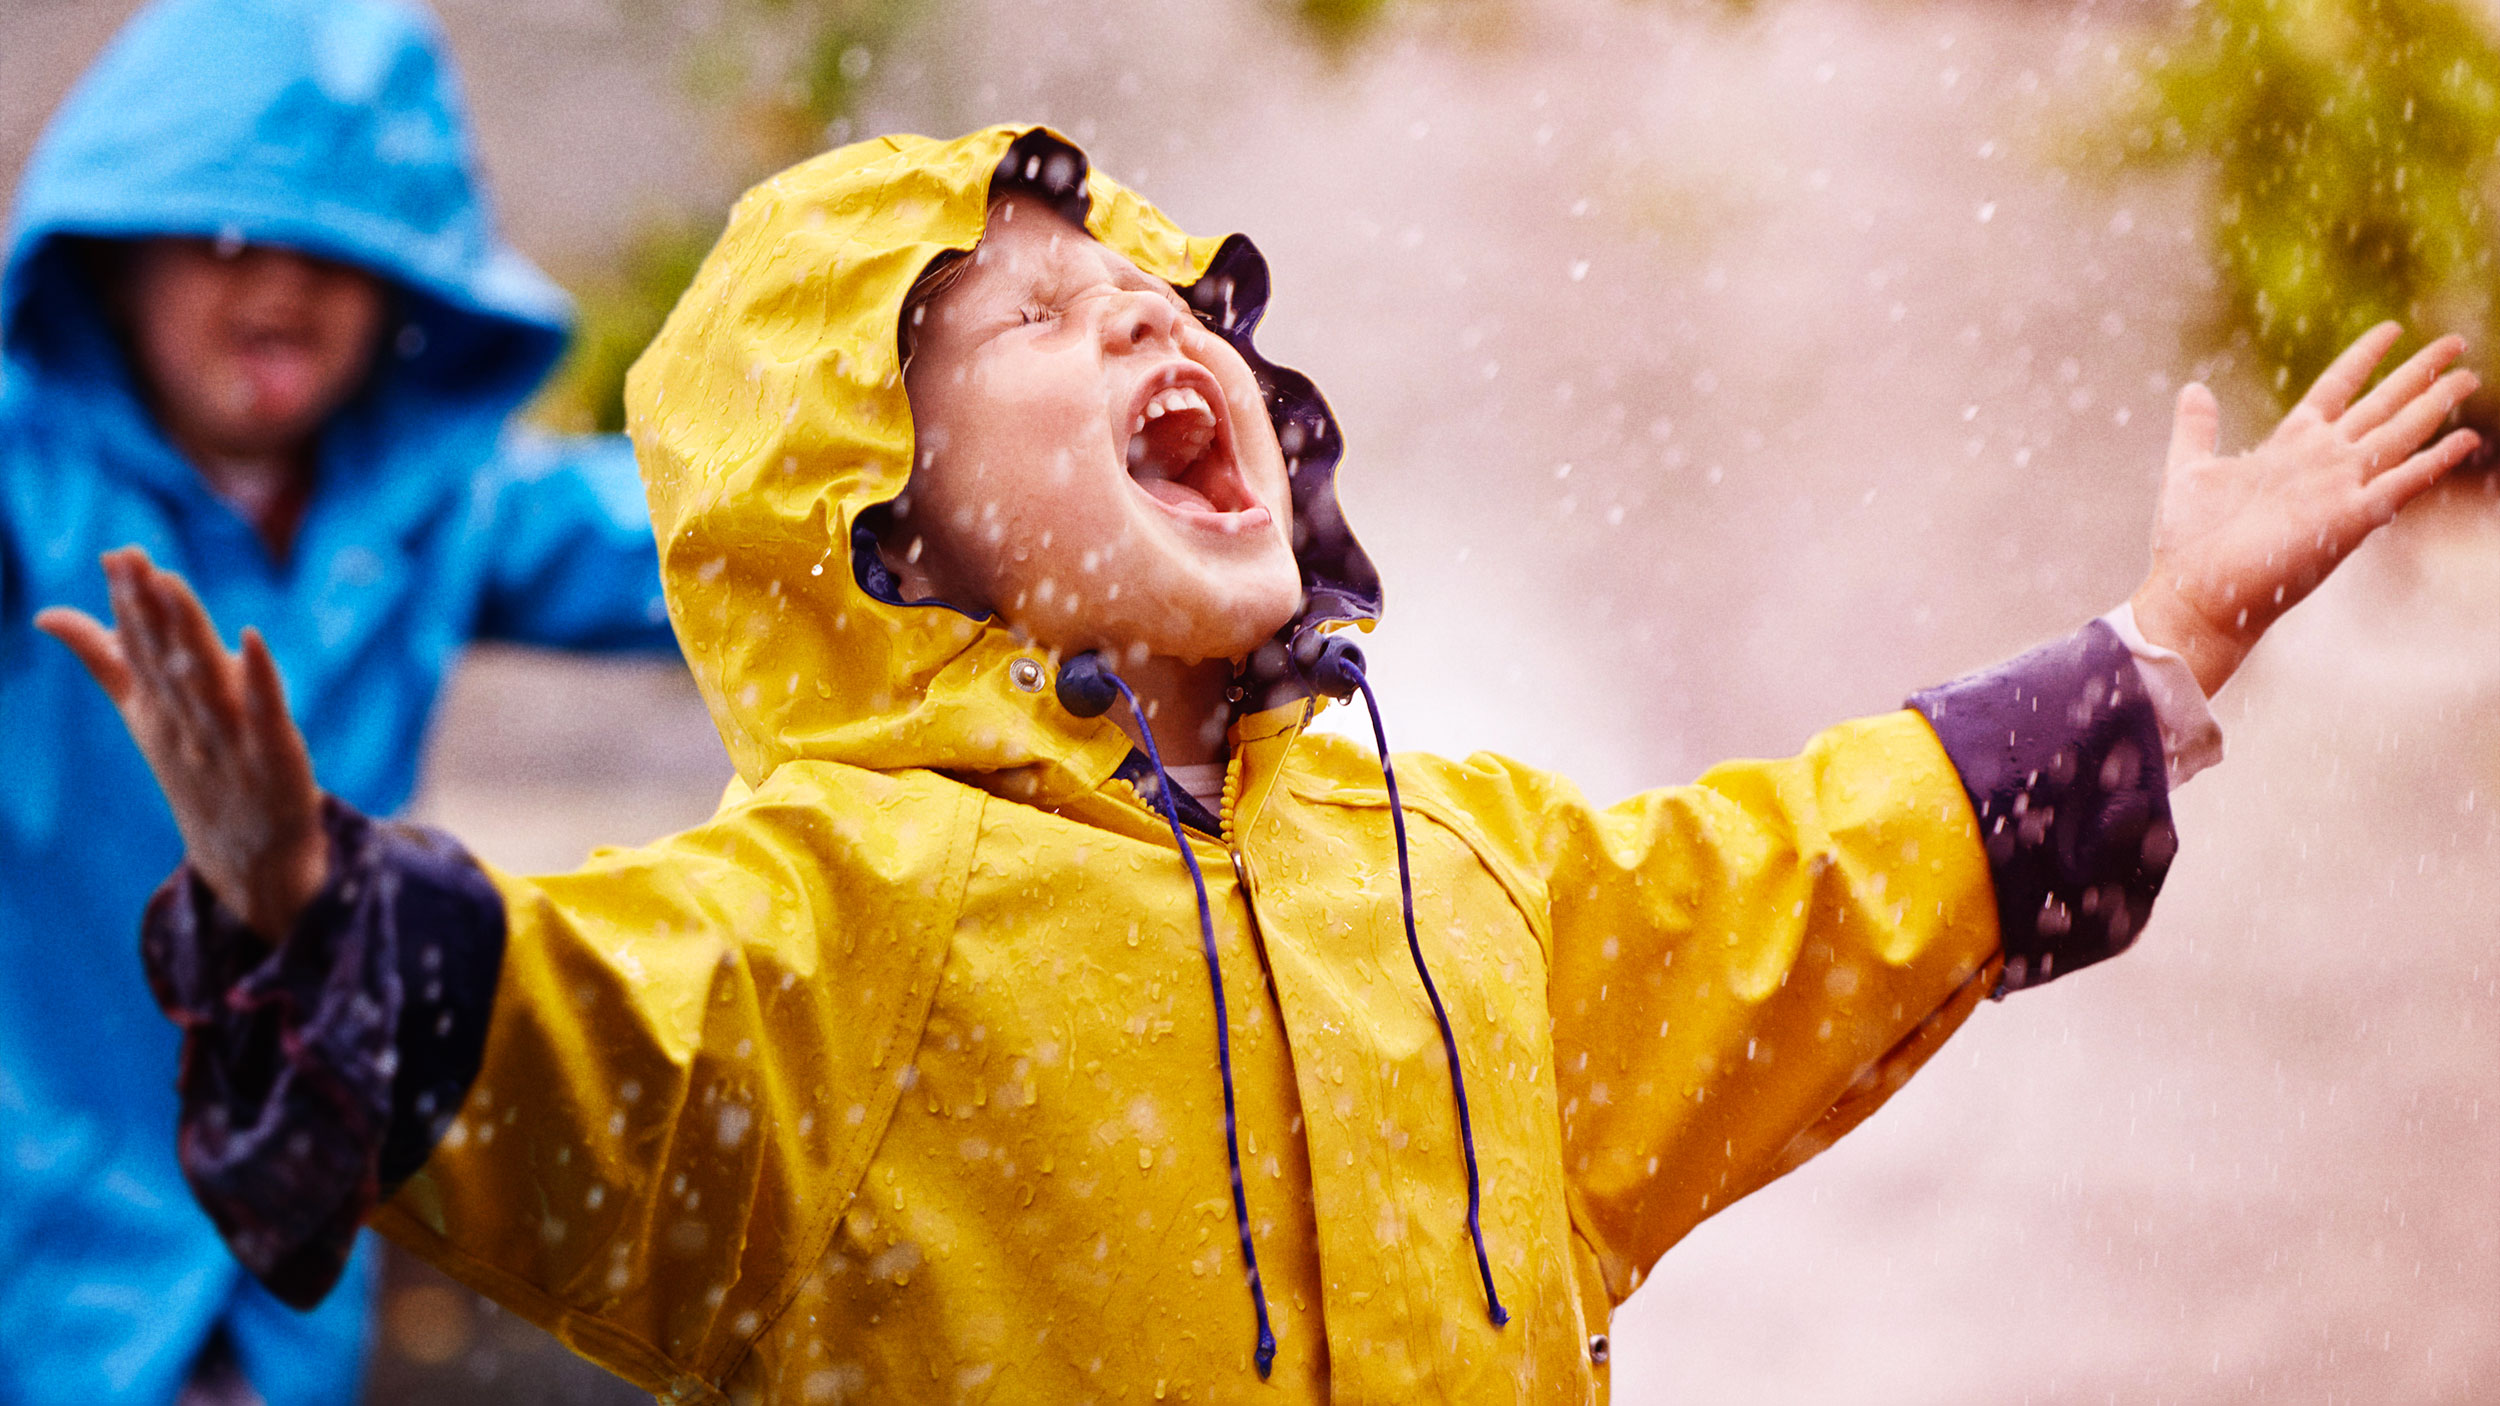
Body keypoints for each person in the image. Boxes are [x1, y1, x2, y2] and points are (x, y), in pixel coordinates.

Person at [42, 126, 2478, 1402]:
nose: (1140, 315)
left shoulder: (1459, 875)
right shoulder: (841, 934)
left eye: (1154, 295)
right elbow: (568, 1043)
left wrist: (2159, 647)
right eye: (1033, 318)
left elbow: (1806, 877)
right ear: (883, 528)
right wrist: (305, 915)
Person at [0, 1, 679, 1402]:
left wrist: (966, 513)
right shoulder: (28, 480)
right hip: (40, 1228)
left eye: (340, 247)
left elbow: (692, 544)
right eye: (224, 239)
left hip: (285, 1249)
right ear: (117, 259)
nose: (284, 284)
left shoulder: (431, 507)